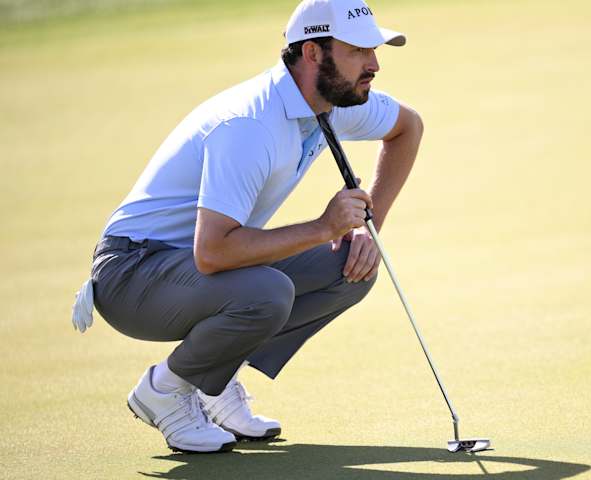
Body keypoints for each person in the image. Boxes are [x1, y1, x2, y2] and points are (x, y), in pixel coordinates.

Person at [70, 0, 422, 453]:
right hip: (132, 272)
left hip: (195, 270)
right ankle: (165, 390)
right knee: (267, 291)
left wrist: (367, 228)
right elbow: (213, 252)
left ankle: (212, 380)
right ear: (313, 53)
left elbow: (408, 127)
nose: (373, 64)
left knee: (351, 268)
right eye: (358, 51)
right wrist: (323, 226)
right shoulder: (250, 124)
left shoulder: (333, 100)